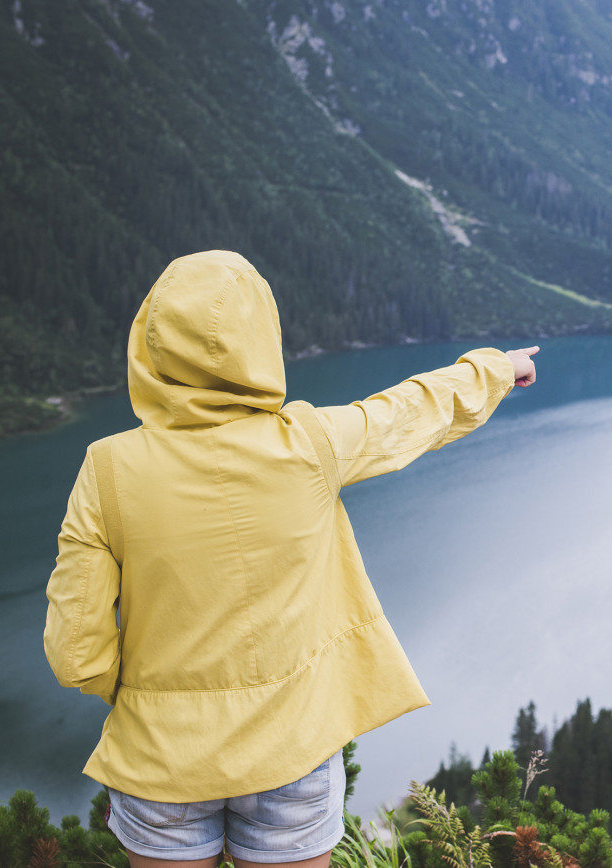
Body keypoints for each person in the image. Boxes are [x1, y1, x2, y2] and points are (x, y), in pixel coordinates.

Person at [44, 250, 538, 868]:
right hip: (292, 750)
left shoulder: (107, 469)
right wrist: (496, 368)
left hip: (160, 757)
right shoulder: (311, 443)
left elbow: (75, 651)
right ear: (261, 339)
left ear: (151, 342)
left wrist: (148, 700)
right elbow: (410, 411)